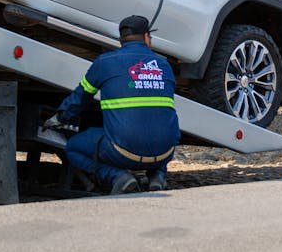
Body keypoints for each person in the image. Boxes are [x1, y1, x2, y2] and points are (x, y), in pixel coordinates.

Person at [45, 15, 180, 194]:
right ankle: (157, 177)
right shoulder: (164, 65)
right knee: (156, 131)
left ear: (120, 40)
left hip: (122, 153)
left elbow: (79, 99)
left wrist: (59, 117)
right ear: (147, 37)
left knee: (74, 148)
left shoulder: (105, 62)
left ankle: (118, 177)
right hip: (166, 152)